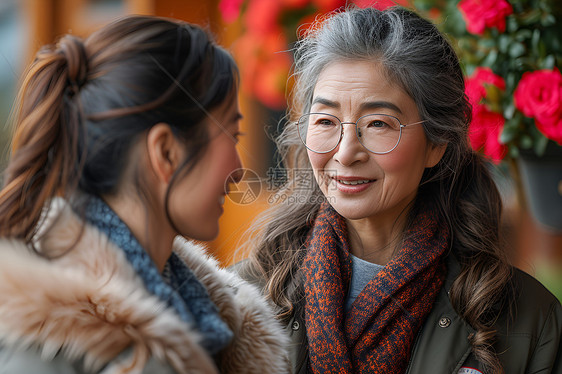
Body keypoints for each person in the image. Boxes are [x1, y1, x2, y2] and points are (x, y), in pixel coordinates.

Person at [234, 6, 562, 374]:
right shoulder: (239, 300)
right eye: (325, 120)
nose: (345, 152)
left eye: (378, 123)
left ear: (437, 143)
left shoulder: (525, 319)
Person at [0, 15, 289, 374]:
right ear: (166, 152)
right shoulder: (39, 351)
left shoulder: (218, 315)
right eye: (232, 135)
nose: (238, 170)